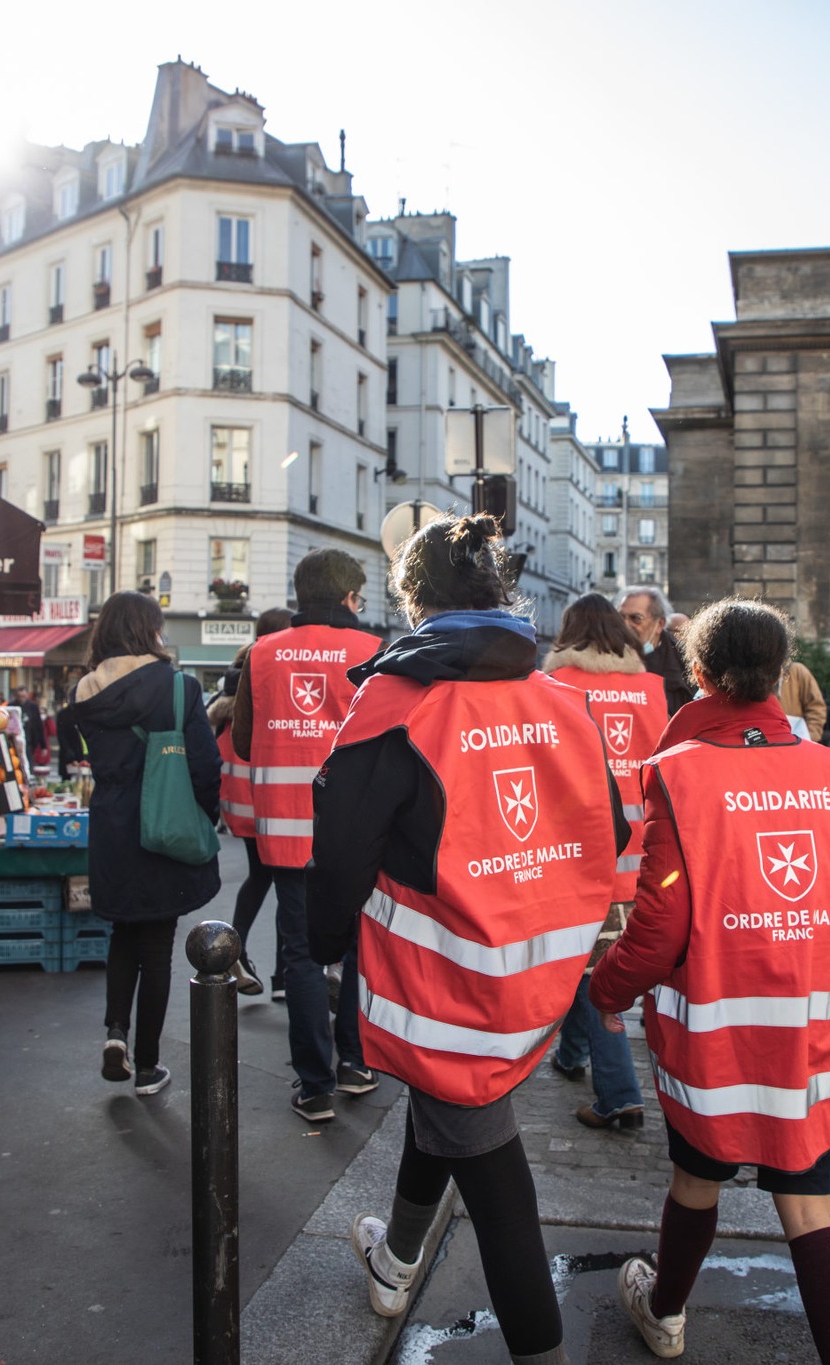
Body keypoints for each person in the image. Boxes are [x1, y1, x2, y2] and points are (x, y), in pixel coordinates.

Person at [309, 513, 627, 1365]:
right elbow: (614, 824)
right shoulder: (562, 698)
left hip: (442, 981)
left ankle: (542, 1353)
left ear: (414, 604)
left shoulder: (398, 702)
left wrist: (323, 943)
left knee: (494, 1172)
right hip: (541, 975)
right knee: (444, 1111)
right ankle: (398, 1257)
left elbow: (340, 850)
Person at [591, 597, 830, 1364]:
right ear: (781, 671)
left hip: (709, 1026)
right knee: (810, 1208)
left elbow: (660, 927)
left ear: (699, 673)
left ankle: (667, 1312)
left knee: (695, 1178)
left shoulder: (679, 777)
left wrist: (605, 993)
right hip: (805, 1024)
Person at [234, 550, 383, 1121]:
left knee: (298, 954)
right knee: (355, 947)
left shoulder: (262, 654)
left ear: (301, 596)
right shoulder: (372, 652)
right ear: (349, 597)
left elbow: (246, 743)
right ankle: (355, 1063)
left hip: (285, 828)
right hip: (355, 832)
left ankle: (314, 1084)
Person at [57, 591, 222, 1094]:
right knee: (157, 946)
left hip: (111, 826)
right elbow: (205, 765)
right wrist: (204, 816)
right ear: (149, 630)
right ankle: (148, 1065)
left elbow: (77, 755)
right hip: (163, 825)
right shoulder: (177, 688)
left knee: (123, 936)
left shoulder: (83, 694)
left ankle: (115, 1034)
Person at [543, 592, 667, 1130]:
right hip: (642, 859)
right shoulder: (652, 691)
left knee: (596, 980)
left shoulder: (555, 689)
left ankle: (619, 1093)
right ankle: (572, 1055)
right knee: (593, 967)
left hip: (580, 859)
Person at [210, 606, 293, 998]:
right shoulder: (270, 670)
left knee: (265, 877)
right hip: (264, 795)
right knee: (283, 882)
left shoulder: (237, 671)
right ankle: (275, 972)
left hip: (239, 796)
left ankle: (260, 964)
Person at [618, 585, 693, 714]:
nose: (625, 625)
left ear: (659, 624)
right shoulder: (602, 657)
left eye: (635, 618)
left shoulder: (686, 664)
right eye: (621, 617)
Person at [778, 661, 829, 742]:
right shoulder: (754, 673)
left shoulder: (797, 671)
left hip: (797, 746)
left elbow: (816, 709)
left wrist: (809, 738)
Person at [18, 688, 49, 771]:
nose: (22, 698)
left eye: (23, 696)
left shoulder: (33, 707)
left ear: (27, 696)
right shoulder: (12, 705)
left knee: (28, 764)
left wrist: (43, 746)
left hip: (30, 741)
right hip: (16, 741)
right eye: (20, 696)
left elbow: (39, 727)